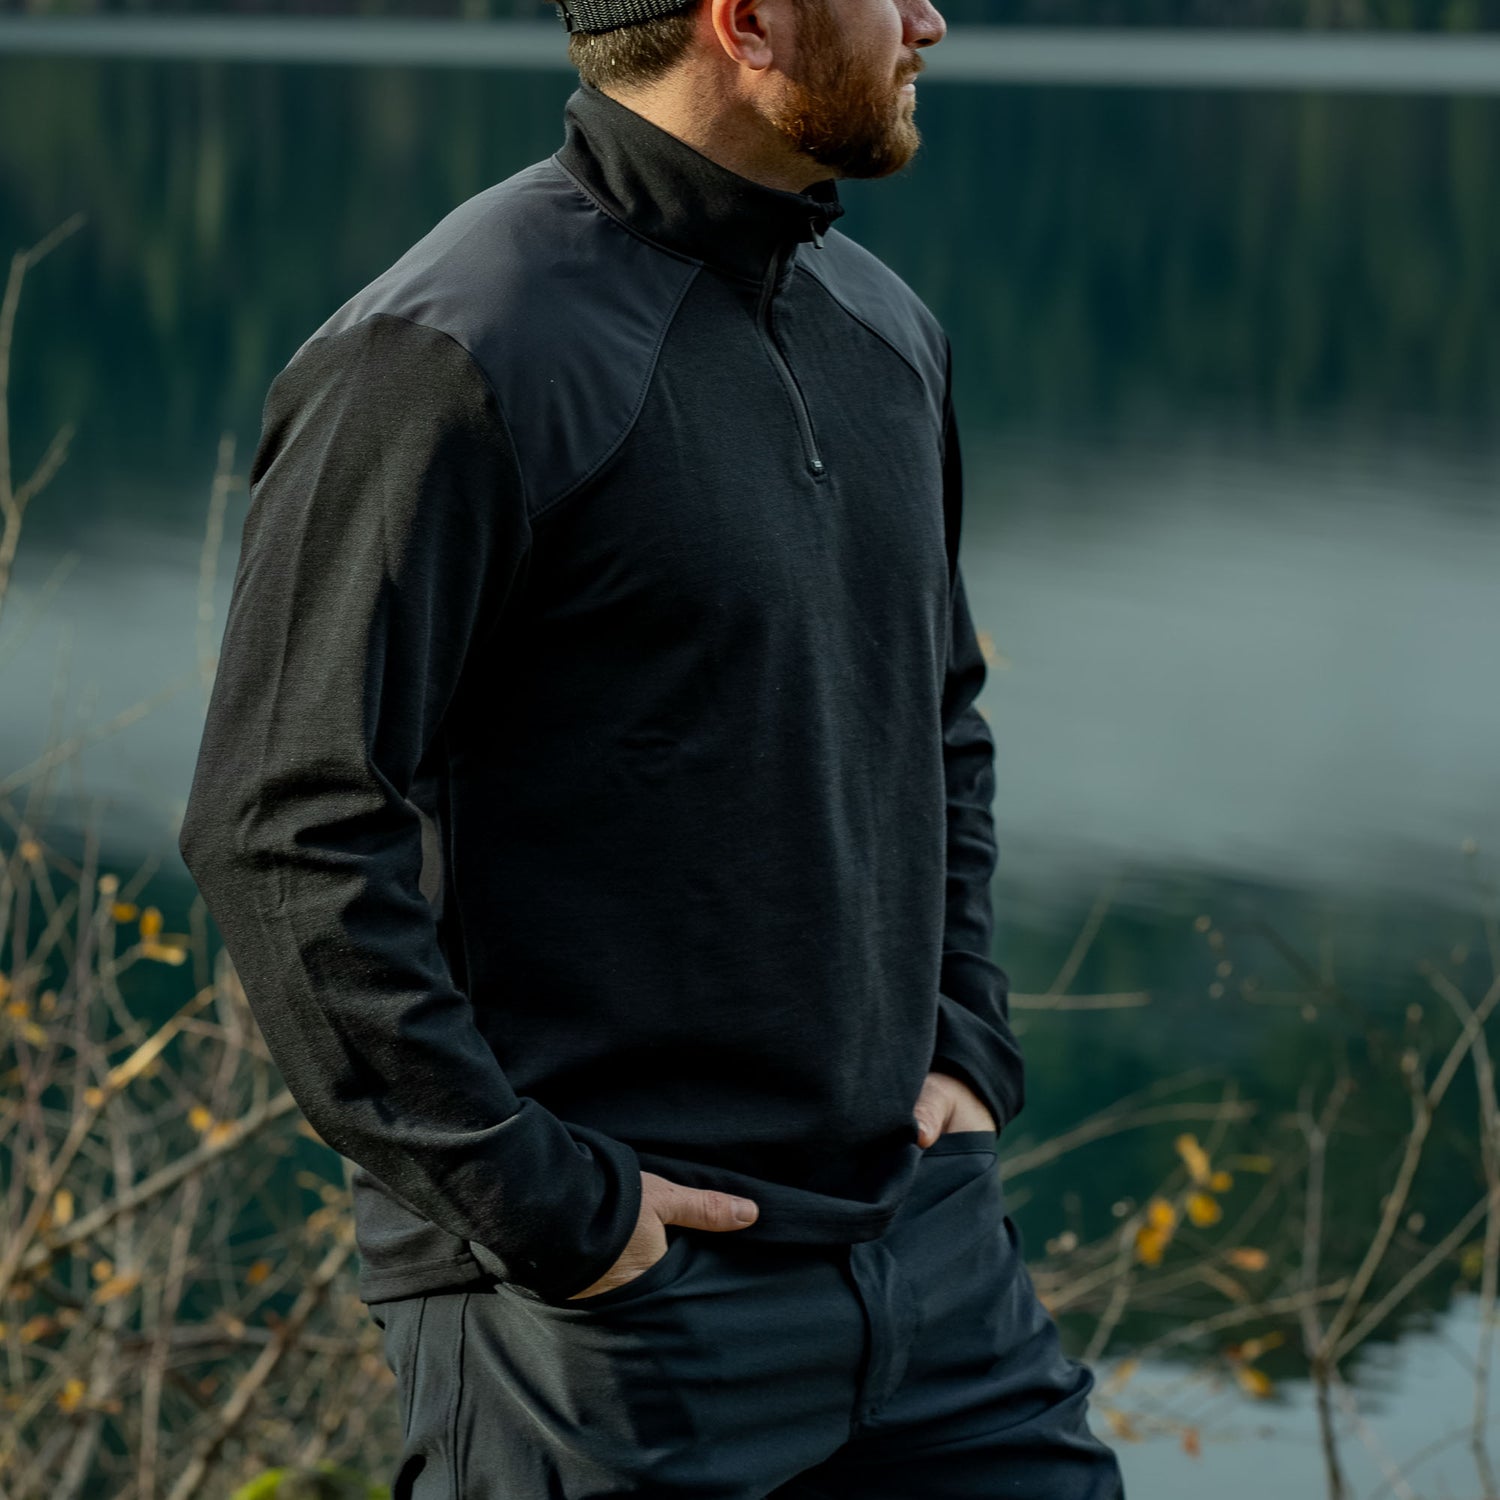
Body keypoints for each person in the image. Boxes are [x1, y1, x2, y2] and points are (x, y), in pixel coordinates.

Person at [177, 0, 1127, 1493]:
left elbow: (935, 715)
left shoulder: (888, 331)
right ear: (745, 22)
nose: (933, 22)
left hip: (932, 1271)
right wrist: (542, 1204)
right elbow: (283, 828)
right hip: (616, 1325)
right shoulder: (445, 353)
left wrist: (966, 1036)